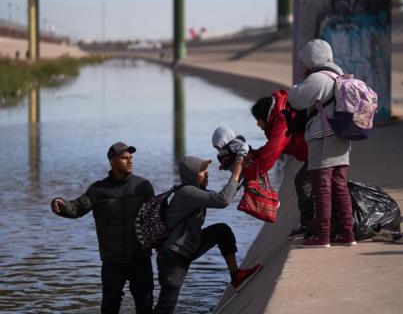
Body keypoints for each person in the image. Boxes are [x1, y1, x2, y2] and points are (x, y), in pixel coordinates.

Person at [50, 141, 155, 314]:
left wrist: (161, 245)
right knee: (109, 306)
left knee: (146, 303)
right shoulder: (98, 190)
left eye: (131, 158)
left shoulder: (143, 186)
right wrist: (59, 203)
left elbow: (155, 218)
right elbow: (76, 208)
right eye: (124, 158)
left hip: (141, 258)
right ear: (112, 160)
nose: (130, 161)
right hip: (112, 261)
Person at [155, 156, 261, 314]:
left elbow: (224, 196)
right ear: (192, 174)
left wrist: (242, 173)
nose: (206, 174)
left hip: (188, 247)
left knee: (222, 231)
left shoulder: (195, 191)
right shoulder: (187, 193)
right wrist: (236, 173)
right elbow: (222, 201)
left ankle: (236, 276)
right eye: (202, 171)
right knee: (167, 304)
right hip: (174, 255)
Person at [288, 39, 356, 248]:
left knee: (322, 188)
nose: (302, 66)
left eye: (304, 61)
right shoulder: (339, 75)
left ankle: (322, 235)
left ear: (312, 58)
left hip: (323, 139)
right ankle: (347, 233)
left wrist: (301, 81)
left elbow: (296, 99)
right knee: (340, 186)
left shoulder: (318, 78)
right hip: (342, 136)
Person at [243, 90, 312, 237]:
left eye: (258, 119)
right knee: (312, 183)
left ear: (264, 116)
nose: (257, 124)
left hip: (319, 150)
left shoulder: (281, 119)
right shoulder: (278, 117)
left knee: (303, 182)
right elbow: (271, 148)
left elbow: (271, 154)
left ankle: (310, 226)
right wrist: (255, 154)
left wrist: (246, 174)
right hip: (315, 150)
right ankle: (312, 224)